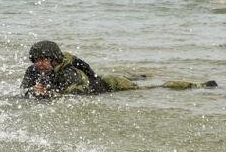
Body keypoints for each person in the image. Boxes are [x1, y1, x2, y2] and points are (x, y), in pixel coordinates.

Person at [21, 40, 216, 98]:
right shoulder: (33, 71)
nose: (39, 64)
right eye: (36, 60)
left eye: (43, 60)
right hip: (98, 78)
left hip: (108, 84)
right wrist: (32, 92)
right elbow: (24, 91)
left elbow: (76, 94)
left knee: (153, 88)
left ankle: (197, 85)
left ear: (53, 58)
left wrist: (48, 93)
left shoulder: (68, 71)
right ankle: (140, 75)